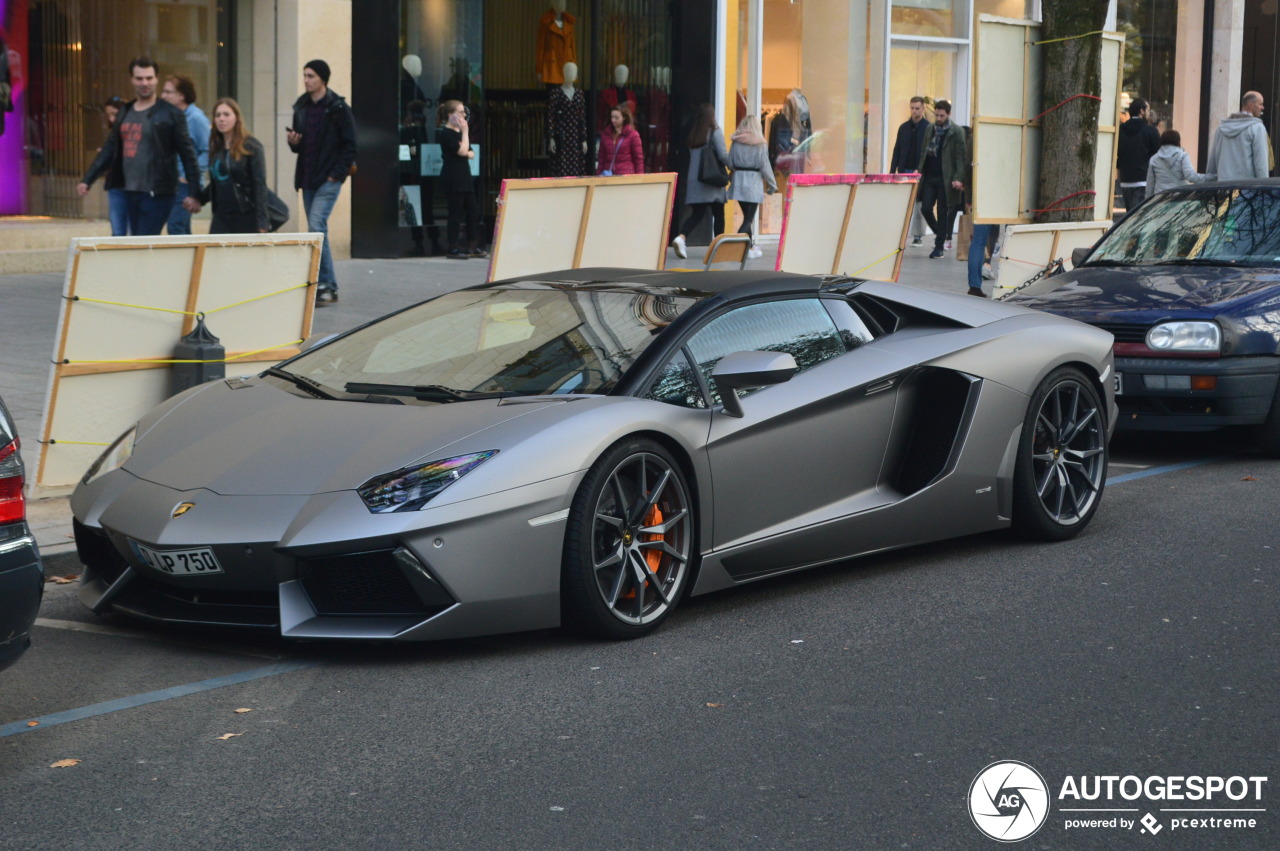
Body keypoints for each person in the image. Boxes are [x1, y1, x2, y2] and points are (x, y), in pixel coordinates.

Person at [77, 58, 202, 236]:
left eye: (149, 78)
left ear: (156, 79)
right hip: (126, 190)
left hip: (157, 192)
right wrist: (88, 179)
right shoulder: (125, 112)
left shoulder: (170, 113)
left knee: (144, 240)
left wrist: (194, 192)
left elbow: (188, 154)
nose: (145, 83)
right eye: (140, 78)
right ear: (132, 80)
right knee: (132, 241)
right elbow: (110, 148)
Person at [286, 59, 357, 305]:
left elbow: (351, 145)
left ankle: (326, 284)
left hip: (329, 178)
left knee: (316, 225)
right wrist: (293, 142)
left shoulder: (338, 107)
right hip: (308, 178)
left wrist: (335, 174)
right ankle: (326, 285)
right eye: (305, 75)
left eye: (311, 76)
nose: (306, 80)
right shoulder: (301, 107)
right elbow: (300, 147)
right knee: (317, 230)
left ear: (323, 79)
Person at [197, 98, 268, 235]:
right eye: (218, 115)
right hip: (221, 216)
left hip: (245, 214)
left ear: (237, 117)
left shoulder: (251, 146)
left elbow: (259, 185)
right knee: (214, 254)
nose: (221, 119)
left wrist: (262, 221)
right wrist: (198, 199)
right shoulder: (216, 148)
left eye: (226, 114)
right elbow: (217, 182)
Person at [671, 103, 729, 259]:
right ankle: (718, 248)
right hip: (712, 181)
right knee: (719, 214)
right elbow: (723, 155)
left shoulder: (694, 134)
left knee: (696, 214)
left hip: (696, 181)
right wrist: (733, 165)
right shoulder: (715, 133)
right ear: (712, 116)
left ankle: (681, 237)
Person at [161, 74, 210, 235]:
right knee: (181, 228)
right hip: (170, 182)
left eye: (169, 92)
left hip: (186, 183)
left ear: (182, 95)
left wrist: (189, 175)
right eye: (163, 92)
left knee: (175, 226)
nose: (164, 96)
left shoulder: (196, 118)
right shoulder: (169, 117)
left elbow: (208, 150)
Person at [917, 99, 965, 259]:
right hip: (929, 176)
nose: (938, 118)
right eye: (936, 115)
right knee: (925, 208)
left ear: (949, 114)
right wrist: (920, 171)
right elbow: (924, 151)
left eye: (941, 115)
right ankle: (941, 233)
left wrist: (958, 177)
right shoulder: (930, 129)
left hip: (946, 178)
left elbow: (960, 157)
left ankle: (939, 248)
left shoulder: (956, 131)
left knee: (943, 211)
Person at [438, 99, 486, 260]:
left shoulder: (458, 134)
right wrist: (465, 134)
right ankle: (452, 247)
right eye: (460, 112)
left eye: (464, 112)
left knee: (473, 210)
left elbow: (470, 152)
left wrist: (465, 146)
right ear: (450, 115)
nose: (464, 115)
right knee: (456, 213)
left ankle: (472, 245)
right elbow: (462, 151)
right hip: (453, 177)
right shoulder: (446, 133)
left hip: (465, 177)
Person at [726, 114, 776, 260]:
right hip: (753, 182)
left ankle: (750, 246)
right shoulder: (760, 144)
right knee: (749, 218)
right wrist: (772, 185)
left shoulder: (735, 142)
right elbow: (765, 166)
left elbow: (730, 163)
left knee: (747, 216)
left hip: (739, 181)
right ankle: (733, 245)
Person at [891, 96, 931, 247]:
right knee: (902, 203)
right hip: (904, 169)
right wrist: (892, 171)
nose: (914, 111)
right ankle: (900, 234)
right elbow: (897, 150)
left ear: (923, 108)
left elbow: (928, 152)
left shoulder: (928, 128)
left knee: (918, 204)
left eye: (917, 108)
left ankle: (918, 235)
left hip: (920, 171)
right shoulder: (904, 127)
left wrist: (921, 169)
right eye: (912, 108)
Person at [1206, 91, 1270, 181]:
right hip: (1246, 191)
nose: (1262, 108)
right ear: (1251, 105)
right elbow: (1261, 164)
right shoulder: (1257, 128)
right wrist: (1264, 188)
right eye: (1261, 104)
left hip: (1223, 189)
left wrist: (1210, 184)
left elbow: (1212, 162)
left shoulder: (1221, 128)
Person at [1115, 98, 1161, 211]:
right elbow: (1158, 155)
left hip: (1125, 180)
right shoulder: (1150, 131)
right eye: (1148, 110)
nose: (1149, 113)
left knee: (1129, 217)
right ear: (1142, 111)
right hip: (1143, 180)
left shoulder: (1120, 130)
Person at [1146, 129, 1214, 195]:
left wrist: (1148, 204)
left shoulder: (1154, 159)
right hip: (1179, 197)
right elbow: (1191, 176)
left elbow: (1150, 185)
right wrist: (1213, 177)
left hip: (1160, 198)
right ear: (1178, 141)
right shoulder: (1182, 156)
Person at [99, 96, 129, 236]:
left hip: (134, 185)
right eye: (108, 115)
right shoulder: (113, 133)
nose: (111, 119)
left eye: (114, 114)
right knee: (117, 231)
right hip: (116, 184)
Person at [597, 104, 643, 176]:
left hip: (626, 175)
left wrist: (640, 177)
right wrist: (598, 176)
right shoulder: (605, 134)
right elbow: (601, 158)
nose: (613, 120)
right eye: (612, 117)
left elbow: (638, 159)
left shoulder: (633, 135)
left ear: (624, 118)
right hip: (608, 174)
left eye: (616, 118)